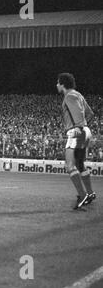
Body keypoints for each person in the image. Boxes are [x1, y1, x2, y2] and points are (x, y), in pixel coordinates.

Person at [57, 73, 96, 210]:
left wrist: (78, 128)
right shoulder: (78, 94)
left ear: (62, 84)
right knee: (79, 163)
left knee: (69, 165)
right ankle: (90, 193)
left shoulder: (69, 96)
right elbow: (90, 113)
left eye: (58, 83)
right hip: (84, 131)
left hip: (76, 132)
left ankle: (82, 194)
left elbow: (79, 113)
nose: (56, 85)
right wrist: (84, 127)